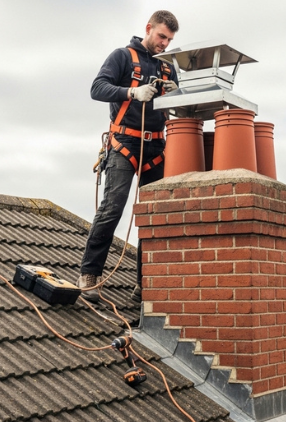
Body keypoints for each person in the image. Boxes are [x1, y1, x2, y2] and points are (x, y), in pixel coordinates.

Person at [77, 10, 180, 303]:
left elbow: (181, 106)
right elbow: (97, 88)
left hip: (156, 148)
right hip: (125, 143)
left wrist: (175, 93)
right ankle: (89, 274)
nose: (165, 44)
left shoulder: (168, 67)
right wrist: (133, 93)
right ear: (149, 29)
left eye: (170, 40)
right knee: (112, 209)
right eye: (161, 36)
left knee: (152, 217)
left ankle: (145, 284)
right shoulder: (122, 56)